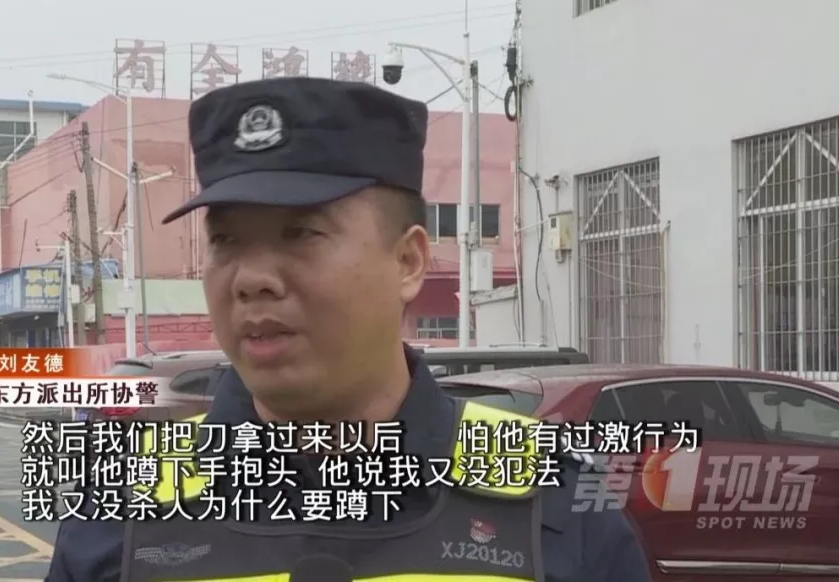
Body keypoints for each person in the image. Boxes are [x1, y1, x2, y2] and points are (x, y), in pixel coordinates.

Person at [45, 78, 652, 582]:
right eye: (226, 240)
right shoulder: (120, 506)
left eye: (301, 234)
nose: (251, 279)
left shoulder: (554, 498)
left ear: (408, 261)